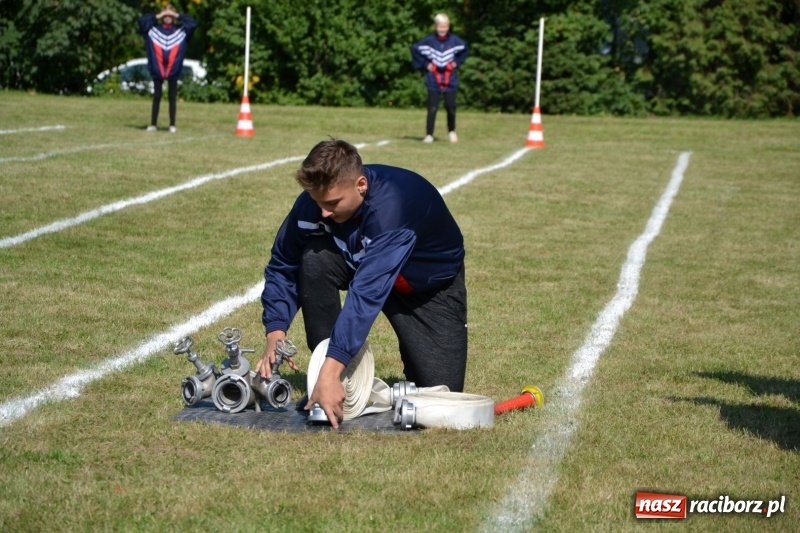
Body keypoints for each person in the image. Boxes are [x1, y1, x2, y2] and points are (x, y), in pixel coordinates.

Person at [256, 139, 468, 428]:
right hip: (362, 263)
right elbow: (284, 263)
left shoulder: (393, 209)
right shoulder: (315, 202)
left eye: (332, 203)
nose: (323, 213)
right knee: (314, 258)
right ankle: (329, 370)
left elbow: (367, 294)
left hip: (424, 287)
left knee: (442, 396)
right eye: (317, 201)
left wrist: (332, 368)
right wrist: (275, 332)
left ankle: (331, 372)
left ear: (360, 185)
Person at [138, 5, 197, 133]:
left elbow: (193, 23)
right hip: (157, 68)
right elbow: (141, 21)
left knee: (172, 97)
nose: (168, 18)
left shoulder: (181, 31)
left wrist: (177, 15)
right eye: (166, 15)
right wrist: (158, 15)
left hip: (173, 69)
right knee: (157, 96)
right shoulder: (153, 30)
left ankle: (172, 124)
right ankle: (153, 124)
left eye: (170, 16)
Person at [411, 13, 468, 144]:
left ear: (448, 26)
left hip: (450, 78)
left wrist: (456, 63)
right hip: (433, 79)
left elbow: (465, 50)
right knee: (432, 107)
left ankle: (451, 131)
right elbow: (415, 49)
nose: (442, 29)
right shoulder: (429, 41)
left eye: (445, 26)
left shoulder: (455, 41)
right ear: (436, 26)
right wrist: (426, 64)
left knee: (451, 106)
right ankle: (429, 134)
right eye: (440, 26)